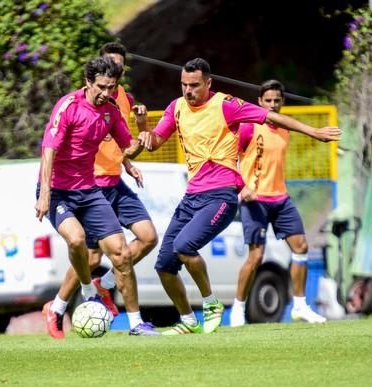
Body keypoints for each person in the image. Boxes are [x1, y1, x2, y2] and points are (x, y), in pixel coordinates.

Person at [137, 58, 341, 335]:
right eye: (184, 84)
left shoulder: (226, 104)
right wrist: (141, 128)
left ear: (209, 83)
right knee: (164, 265)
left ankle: (213, 305)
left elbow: (270, 117)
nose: (188, 90)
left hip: (221, 194)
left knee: (185, 246)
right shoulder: (176, 108)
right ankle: (187, 320)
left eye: (194, 85)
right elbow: (154, 143)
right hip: (192, 196)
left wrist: (313, 131)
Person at [36, 55, 157, 339]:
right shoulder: (68, 106)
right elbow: (49, 149)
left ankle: (136, 323)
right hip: (59, 191)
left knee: (122, 254)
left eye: (112, 87)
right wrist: (44, 192)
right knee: (77, 240)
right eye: (101, 86)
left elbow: (128, 149)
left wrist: (143, 133)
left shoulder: (111, 111)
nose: (106, 93)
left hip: (89, 191)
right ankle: (75, 297)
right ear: (88, 82)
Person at [229, 80, 326, 327]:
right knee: (256, 257)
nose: (273, 105)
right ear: (260, 102)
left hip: (280, 198)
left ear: (282, 102)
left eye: (277, 100)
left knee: (301, 246)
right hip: (255, 200)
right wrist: (243, 187)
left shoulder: (285, 129)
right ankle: (238, 308)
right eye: (268, 100)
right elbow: (229, 158)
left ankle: (301, 306)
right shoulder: (249, 127)